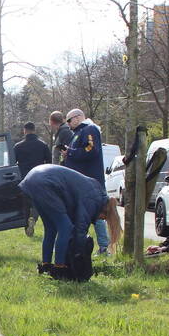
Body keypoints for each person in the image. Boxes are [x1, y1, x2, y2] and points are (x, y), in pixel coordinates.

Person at [19, 164, 122, 280]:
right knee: (65, 227)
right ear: (105, 211)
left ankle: (46, 266)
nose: (100, 219)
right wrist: (78, 254)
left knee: (51, 228)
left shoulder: (96, 192)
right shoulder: (94, 200)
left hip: (33, 178)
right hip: (45, 183)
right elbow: (80, 229)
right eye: (103, 218)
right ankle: (59, 269)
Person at [61, 109, 111, 254]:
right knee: (82, 214)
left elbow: (91, 149)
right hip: (81, 182)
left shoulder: (90, 129)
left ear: (77, 118)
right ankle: (81, 246)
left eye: (69, 120)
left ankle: (104, 247)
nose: (68, 124)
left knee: (98, 213)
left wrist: (70, 152)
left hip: (91, 182)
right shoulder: (77, 133)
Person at [13, 121, 52, 235]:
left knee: (25, 203)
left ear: (24, 131)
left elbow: (13, 162)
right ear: (34, 130)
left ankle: (27, 227)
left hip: (24, 178)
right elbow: (49, 163)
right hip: (39, 177)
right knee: (37, 201)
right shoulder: (43, 145)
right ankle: (34, 217)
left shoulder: (18, 146)